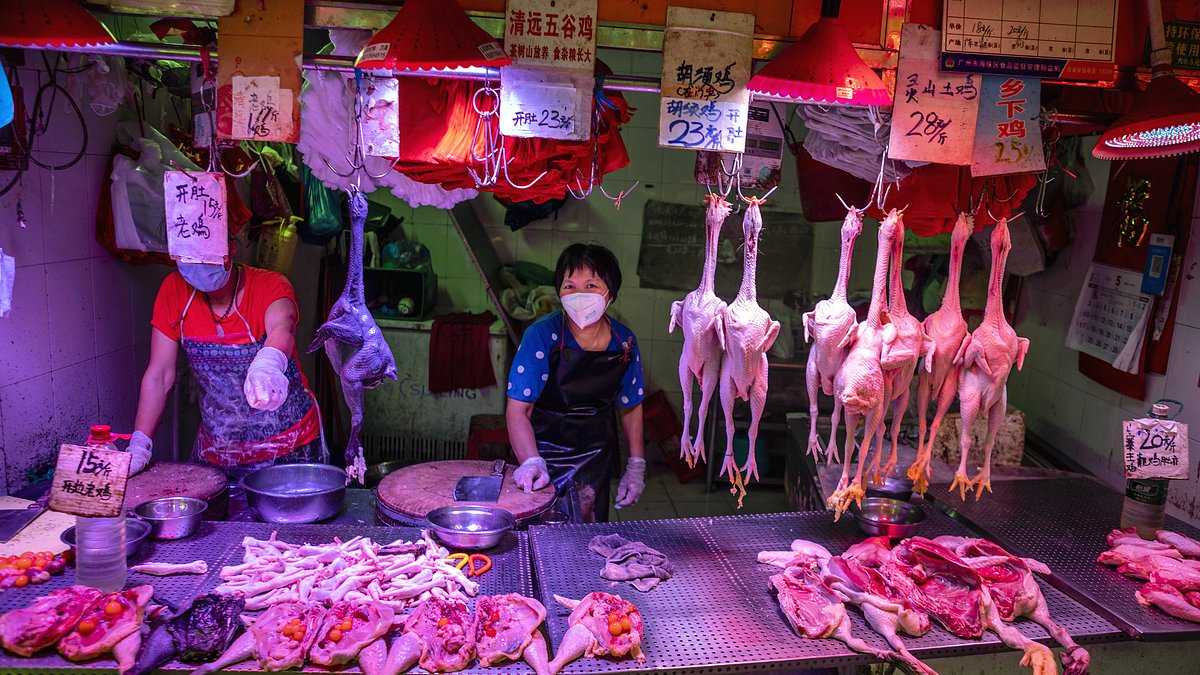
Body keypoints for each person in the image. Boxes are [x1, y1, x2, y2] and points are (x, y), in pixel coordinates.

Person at [129, 255, 326, 479]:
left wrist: (269, 363)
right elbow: (159, 375)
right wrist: (140, 443)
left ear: (230, 248)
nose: (200, 263)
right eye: (189, 256)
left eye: (207, 255)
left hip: (290, 449)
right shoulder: (174, 291)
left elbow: (283, 327)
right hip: (218, 452)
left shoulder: (269, 285)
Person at [505, 243, 646, 523]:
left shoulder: (624, 342)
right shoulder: (542, 335)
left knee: (587, 535)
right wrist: (531, 462)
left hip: (595, 454)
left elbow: (630, 405)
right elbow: (518, 410)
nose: (579, 295)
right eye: (569, 286)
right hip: (540, 450)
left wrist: (636, 464)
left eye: (591, 285)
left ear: (611, 293)